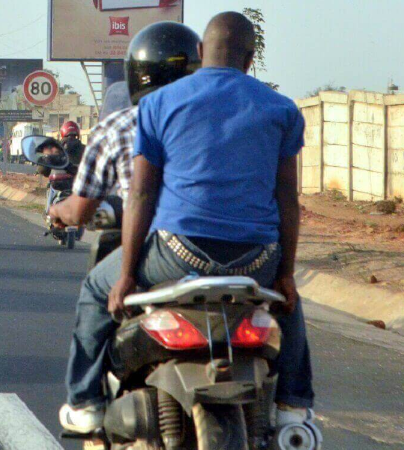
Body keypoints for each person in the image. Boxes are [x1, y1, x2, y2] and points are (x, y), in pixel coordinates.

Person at [59, 12, 317, 435]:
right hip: (256, 260)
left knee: (94, 290)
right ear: (251, 59)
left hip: (175, 256)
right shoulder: (281, 109)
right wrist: (285, 273)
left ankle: (85, 403)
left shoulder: (159, 104)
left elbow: (141, 194)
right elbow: (288, 199)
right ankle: (292, 406)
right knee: (287, 302)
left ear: (200, 53)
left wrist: (126, 276)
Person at [50, 21, 198, 229]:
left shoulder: (119, 126)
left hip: (166, 246)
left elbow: (81, 209)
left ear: (137, 72)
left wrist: (57, 211)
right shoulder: (218, 123)